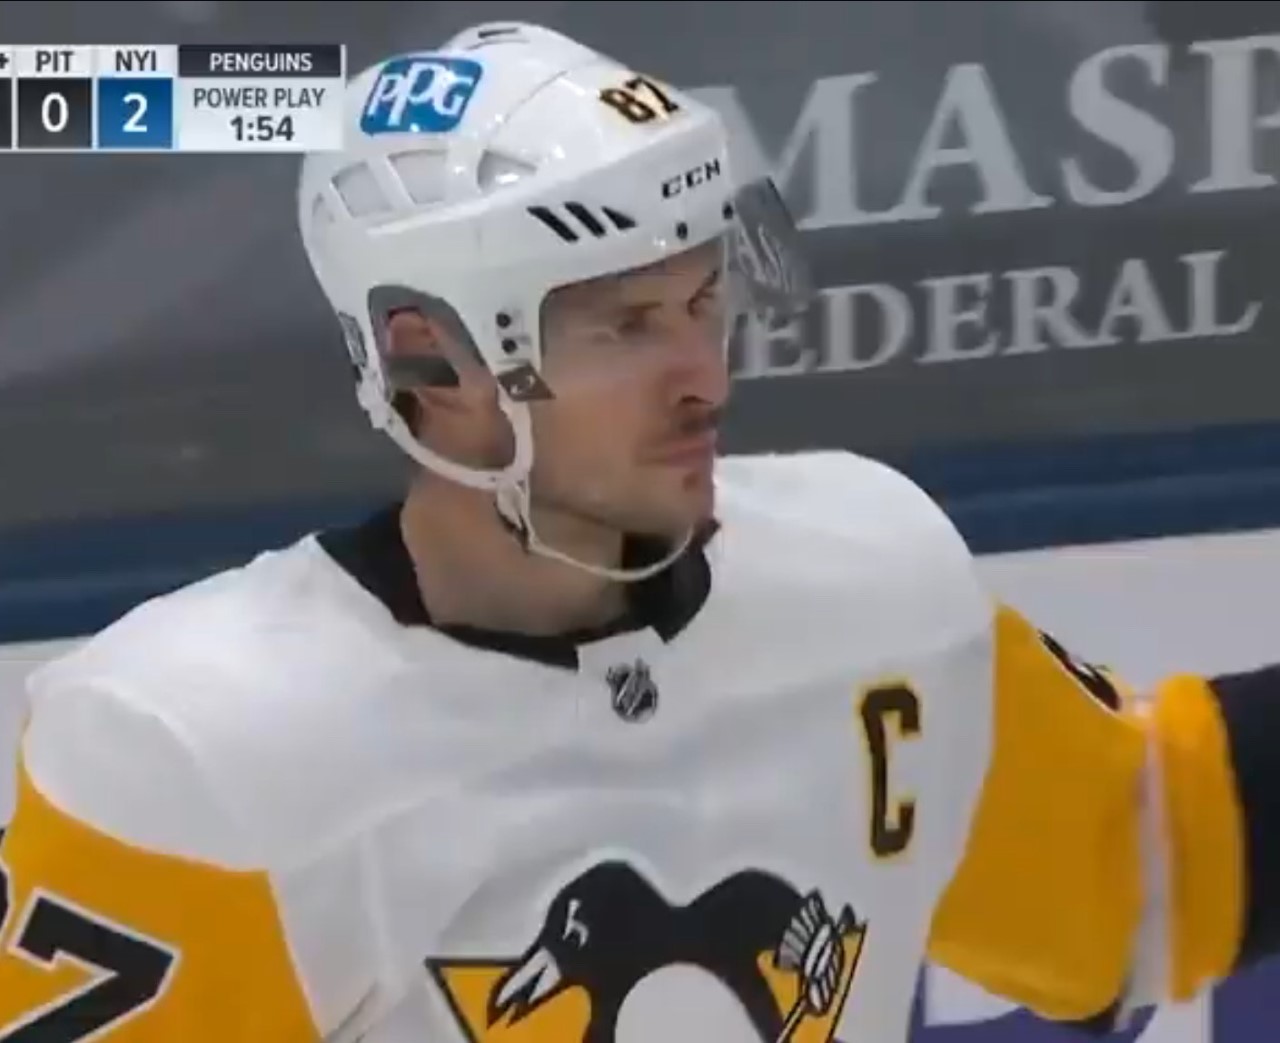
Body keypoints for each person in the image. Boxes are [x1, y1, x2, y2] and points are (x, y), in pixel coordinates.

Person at [0, 21, 1274, 1043]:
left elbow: (1147, 857)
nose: (702, 376)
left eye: (704, 302)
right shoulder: (198, 750)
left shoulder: (870, 587)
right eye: (624, 324)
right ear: (430, 358)